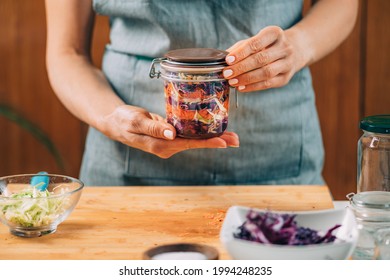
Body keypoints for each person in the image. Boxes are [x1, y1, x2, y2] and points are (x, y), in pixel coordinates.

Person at [45, 0, 358, 186]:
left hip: (277, 154)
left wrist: (300, 44)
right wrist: (112, 117)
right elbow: (67, 52)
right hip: (129, 163)